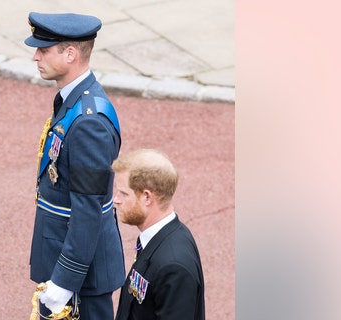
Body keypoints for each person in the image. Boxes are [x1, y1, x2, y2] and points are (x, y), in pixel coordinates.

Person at [24, 12, 126, 320]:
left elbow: (88, 208)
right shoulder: (73, 101)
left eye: (44, 49)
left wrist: (64, 282)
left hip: (82, 277)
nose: (35, 56)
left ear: (70, 54)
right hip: (69, 261)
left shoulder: (88, 122)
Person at [112, 149, 206, 320]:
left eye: (124, 193)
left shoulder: (174, 266)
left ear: (147, 197)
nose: (116, 199)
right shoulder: (159, 237)